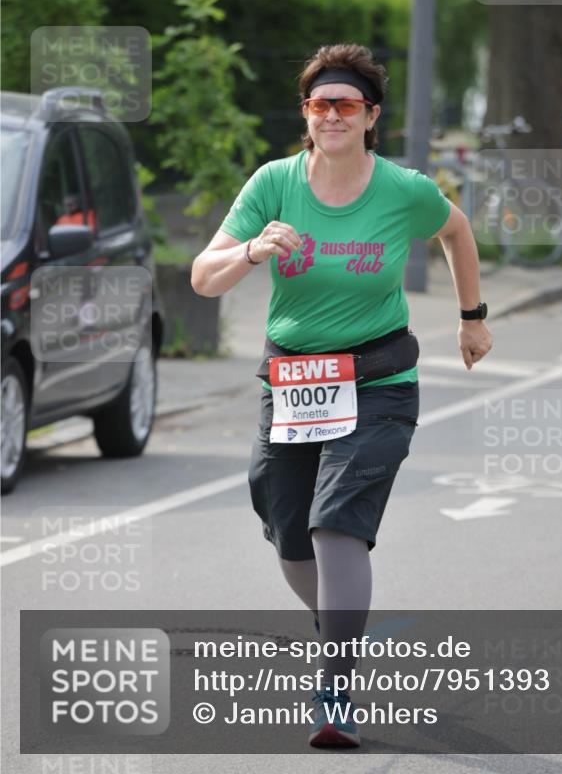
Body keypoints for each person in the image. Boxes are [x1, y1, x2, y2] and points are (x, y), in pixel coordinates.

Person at [191, 43, 492, 747]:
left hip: (378, 378)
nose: (331, 115)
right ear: (305, 115)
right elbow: (205, 277)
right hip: (292, 382)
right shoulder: (273, 183)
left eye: (345, 105)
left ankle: (334, 688)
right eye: (319, 104)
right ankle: (340, 626)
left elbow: (455, 230)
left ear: (369, 117)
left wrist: (471, 318)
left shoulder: (401, 189)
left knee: (335, 524)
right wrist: (252, 252)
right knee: (287, 526)